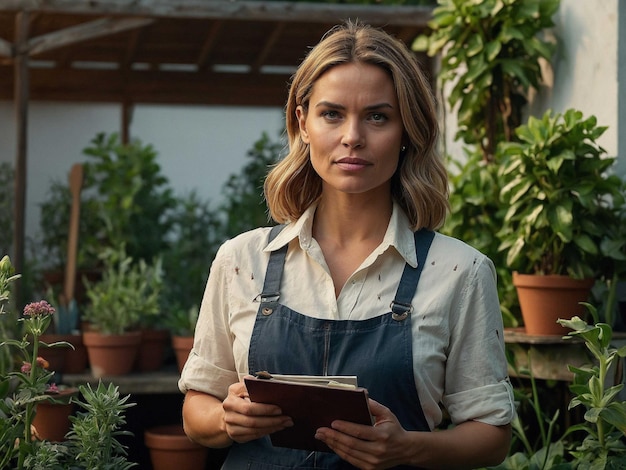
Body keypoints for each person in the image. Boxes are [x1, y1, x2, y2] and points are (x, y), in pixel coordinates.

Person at [179, 21, 515, 469]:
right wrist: (225, 418)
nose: (352, 136)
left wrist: (408, 447)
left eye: (378, 116)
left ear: (407, 130)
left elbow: (492, 436)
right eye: (332, 114)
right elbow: (195, 410)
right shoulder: (242, 261)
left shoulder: (460, 271)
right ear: (303, 124)